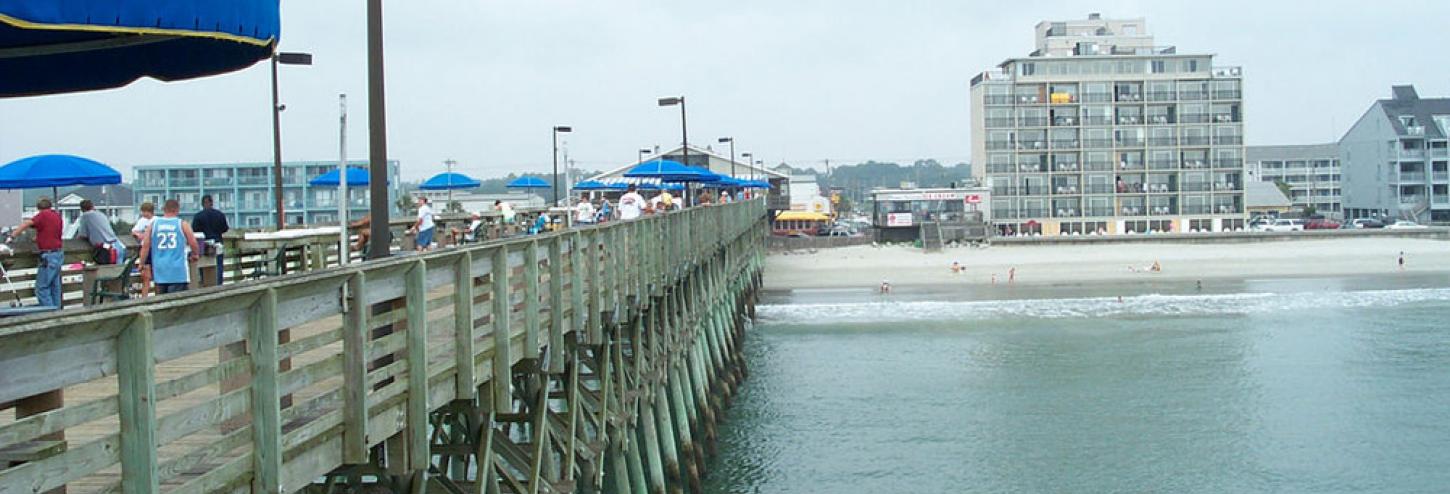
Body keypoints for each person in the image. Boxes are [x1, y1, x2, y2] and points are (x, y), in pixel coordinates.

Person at [8, 198, 64, 306]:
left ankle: (48, 314)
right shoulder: (57, 216)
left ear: (39, 208)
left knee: (41, 288)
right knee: (54, 287)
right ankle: (57, 312)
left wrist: (12, 236)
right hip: (58, 254)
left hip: (48, 256)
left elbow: (27, 223)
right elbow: (50, 232)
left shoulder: (43, 215)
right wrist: (38, 238)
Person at [138, 200, 201, 295]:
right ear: (177, 210)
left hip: (160, 270)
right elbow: (193, 242)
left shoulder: (153, 224)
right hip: (178, 271)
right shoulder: (182, 224)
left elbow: (145, 246)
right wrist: (195, 254)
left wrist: (141, 263)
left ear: (164, 209)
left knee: (161, 303)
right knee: (177, 304)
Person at [191, 195, 229, 285]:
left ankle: (205, 283)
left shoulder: (198, 216)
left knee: (202, 265)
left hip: (203, 244)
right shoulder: (220, 214)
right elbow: (225, 228)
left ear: (202, 204)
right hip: (217, 242)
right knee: (218, 265)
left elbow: (194, 231)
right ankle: (218, 284)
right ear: (212, 202)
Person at [73, 199, 125, 264]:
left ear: (82, 209)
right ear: (92, 206)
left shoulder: (85, 216)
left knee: (106, 271)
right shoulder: (101, 214)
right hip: (117, 245)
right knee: (118, 270)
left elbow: (83, 235)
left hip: (105, 249)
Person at [132, 202, 157, 296]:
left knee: (156, 274)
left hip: (154, 249)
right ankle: (144, 297)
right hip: (145, 248)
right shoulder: (142, 221)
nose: (143, 214)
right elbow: (134, 231)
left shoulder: (156, 220)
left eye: (144, 212)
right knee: (146, 276)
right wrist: (140, 235)